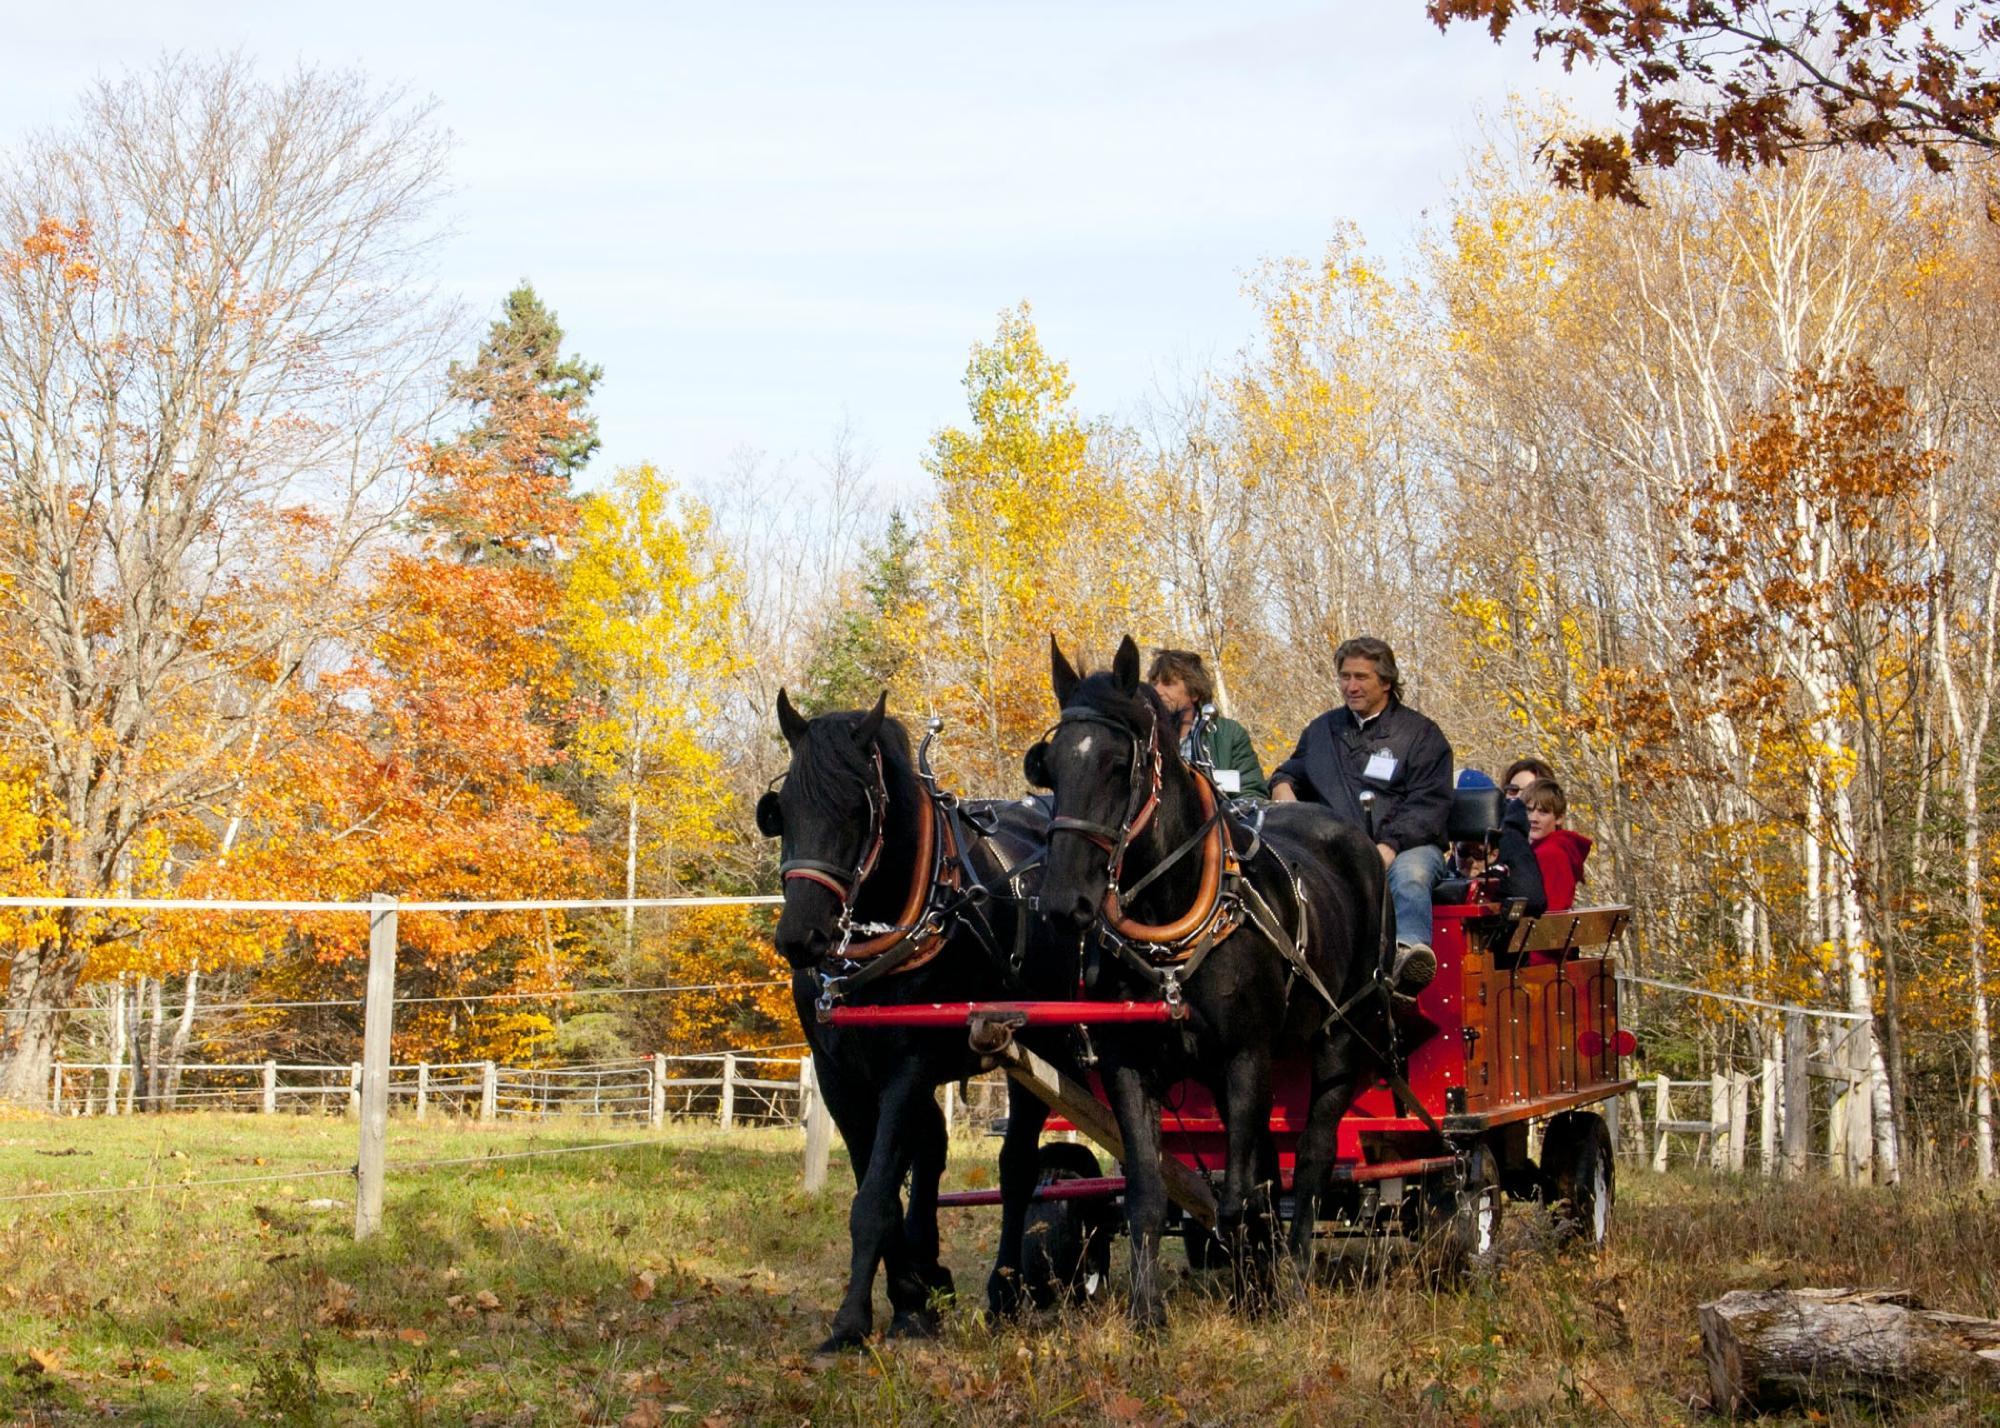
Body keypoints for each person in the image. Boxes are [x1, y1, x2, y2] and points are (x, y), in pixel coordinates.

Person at [1270, 636, 1452, 993]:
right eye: (1344, 676)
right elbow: (1290, 771)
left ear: (1386, 681)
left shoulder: (1421, 735)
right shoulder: (1323, 730)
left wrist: (1389, 846)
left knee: (1412, 875)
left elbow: (1429, 805)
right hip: (1334, 847)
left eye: (1361, 677)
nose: (1350, 686)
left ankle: (1406, 960)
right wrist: (1281, 787)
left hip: (1405, 846)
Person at [1147, 649, 1269, 799]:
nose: (1157, 691)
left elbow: (1251, 792)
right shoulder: (1145, 738)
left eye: (1168, 684)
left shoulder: (1230, 735)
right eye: (1154, 683)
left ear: (1194, 693)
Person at [1524, 778, 1592, 912]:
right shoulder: (1551, 848)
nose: (1533, 818)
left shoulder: (1550, 853)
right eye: (1529, 811)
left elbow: (1552, 912)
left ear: (1559, 818)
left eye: (1543, 812)